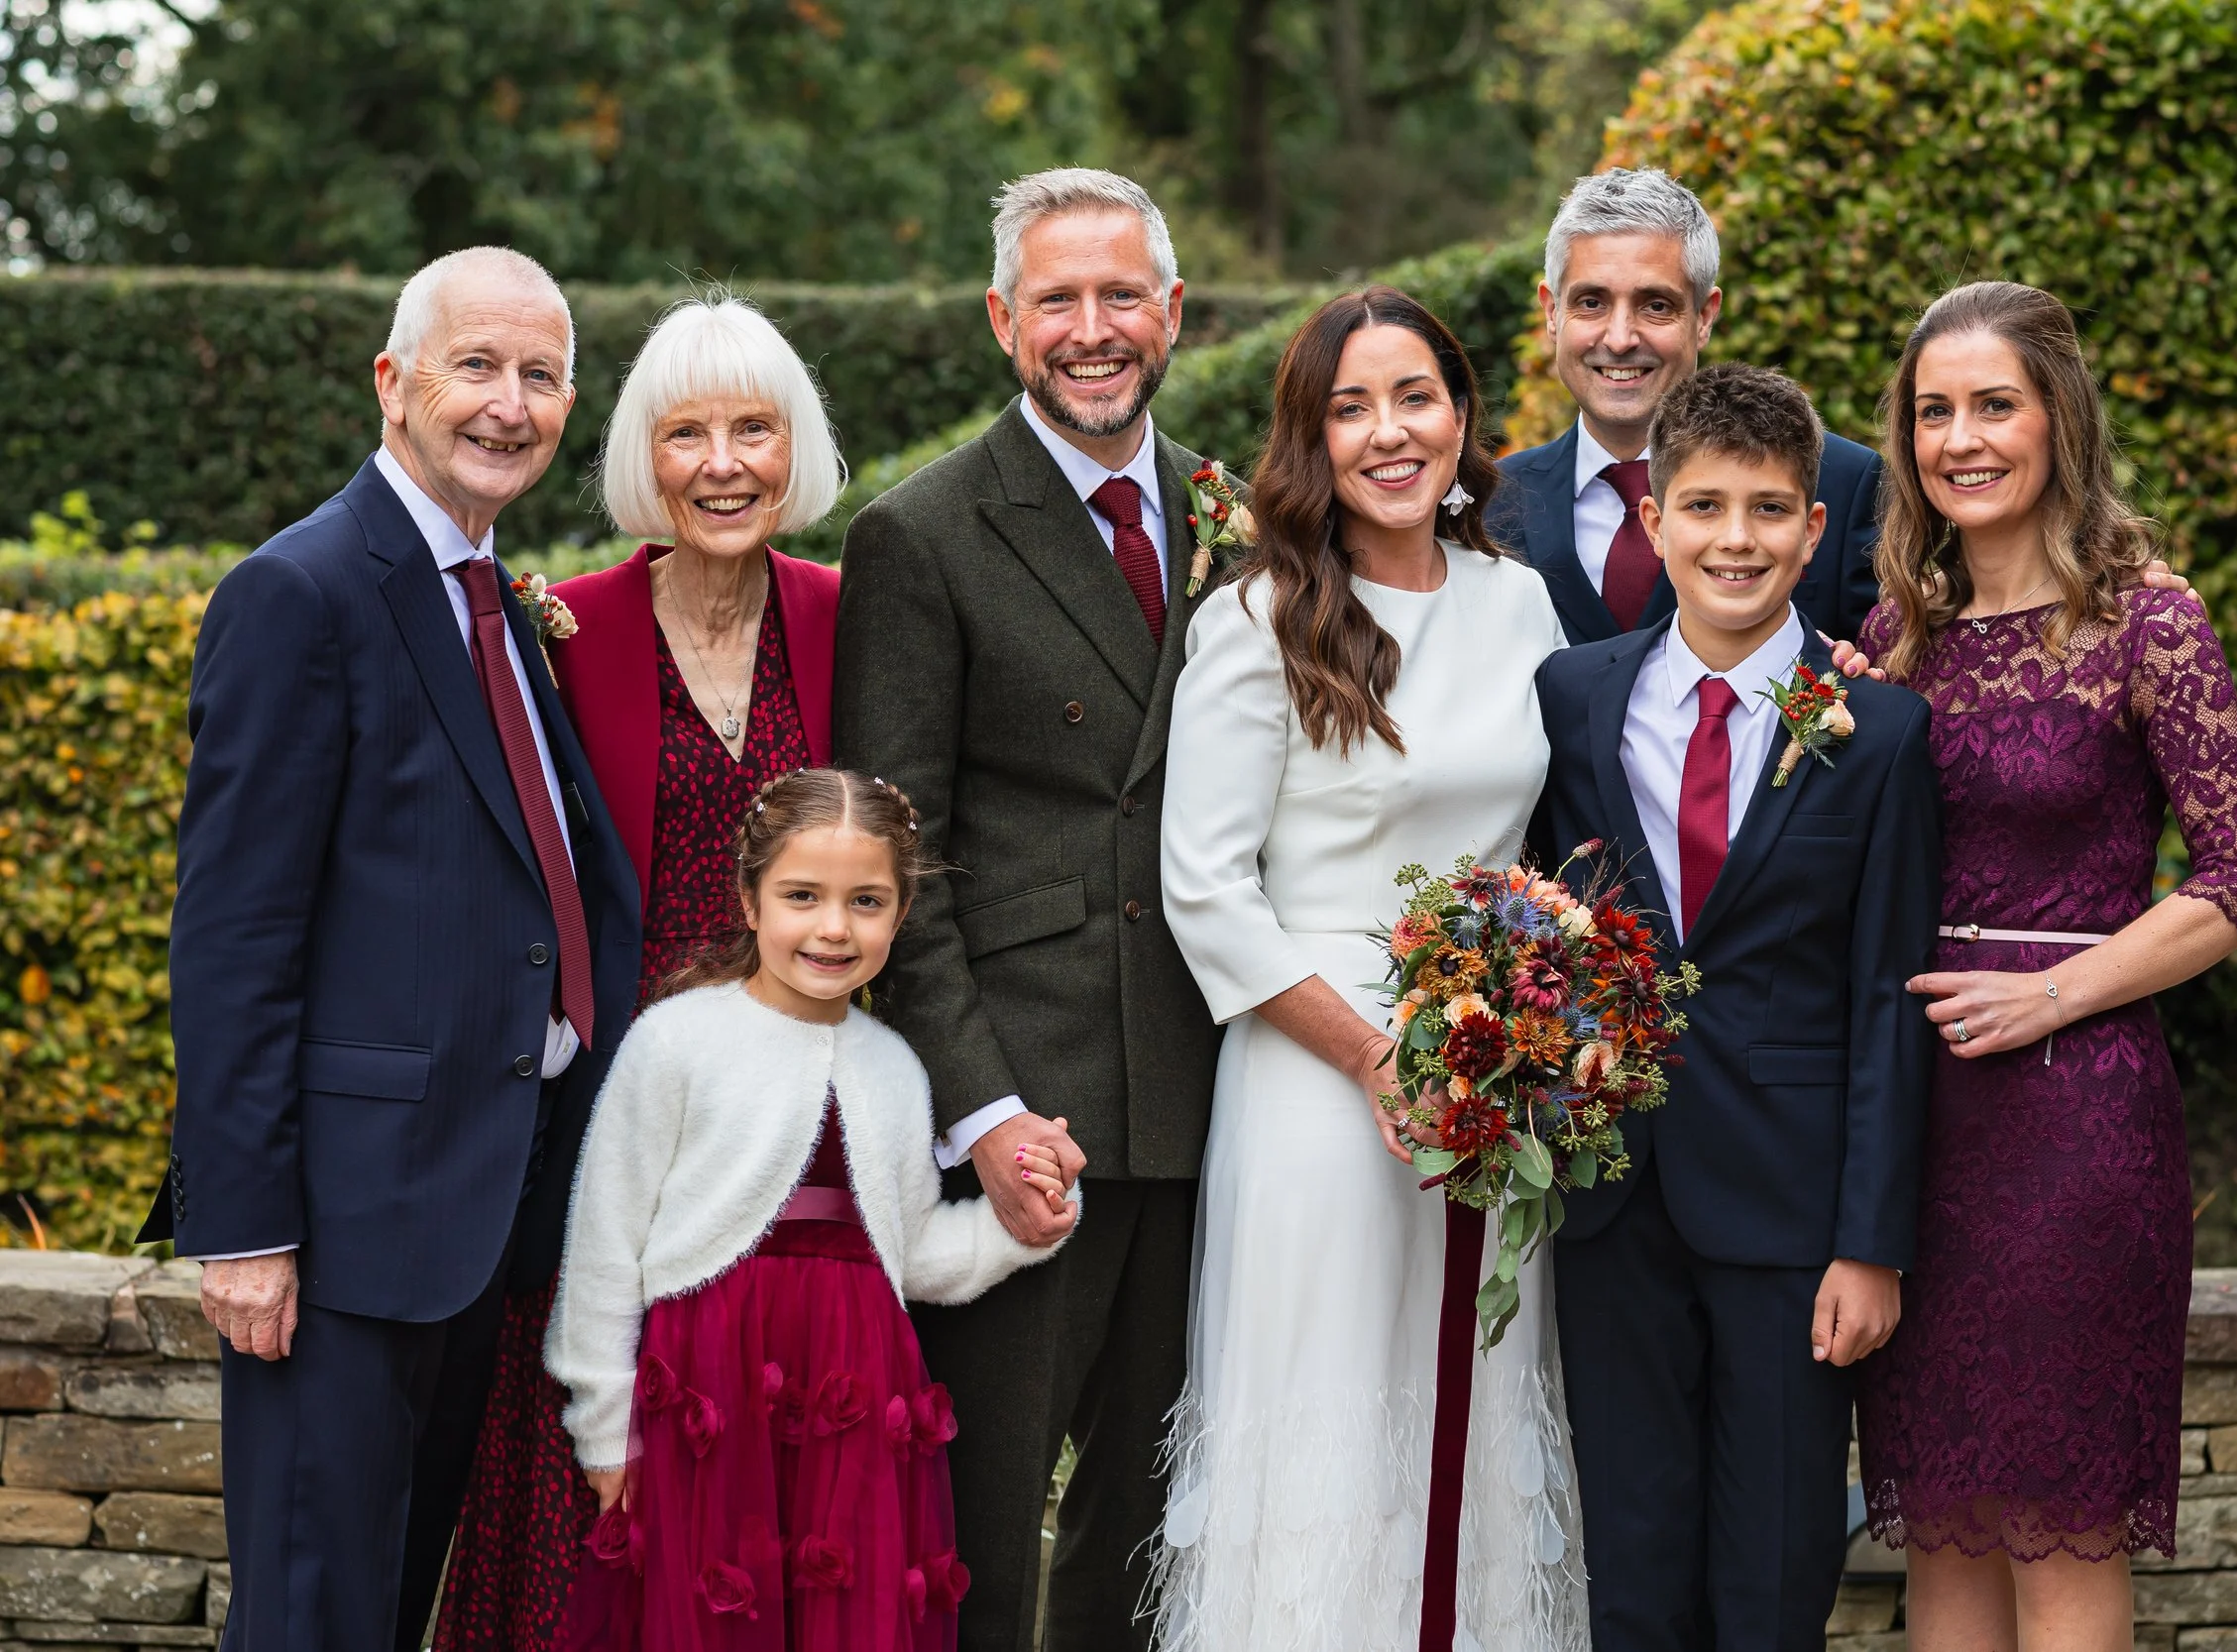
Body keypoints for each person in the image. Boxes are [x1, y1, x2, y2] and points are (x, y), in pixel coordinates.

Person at [138, 246, 643, 1649]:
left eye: (542, 375)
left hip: (477, 1210)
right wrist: (245, 1227)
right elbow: (235, 933)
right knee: (312, 1613)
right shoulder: (299, 592)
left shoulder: (497, 601)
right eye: (477, 365)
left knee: (388, 1604)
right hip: (343, 1231)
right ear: (393, 379)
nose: (510, 404)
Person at [1838, 281, 2237, 1650]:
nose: (1961, 439)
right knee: (1944, 1526)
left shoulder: (2146, 621)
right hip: (1917, 1128)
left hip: (2077, 1124)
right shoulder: (1892, 639)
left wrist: (2050, 993)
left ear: (2058, 419)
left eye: (1995, 405)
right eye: (1934, 411)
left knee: (2060, 1519)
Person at [1152, 286, 1587, 1649]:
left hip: (1492, 1072)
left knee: (1476, 1393)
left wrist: (1539, 1022)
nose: (1390, 432)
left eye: (1416, 397)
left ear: (1461, 415)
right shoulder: (1261, 617)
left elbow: (1566, 833)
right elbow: (1206, 889)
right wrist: (1372, 1057)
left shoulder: (1521, 602)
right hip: (1316, 1071)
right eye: (1351, 408)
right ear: (1312, 439)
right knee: (1334, 1414)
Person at [834, 168, 1219, 1652]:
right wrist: (982, 1112)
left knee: (1153, 1529)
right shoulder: (922, 533)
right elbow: (897, 866)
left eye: (1122, 294)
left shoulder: (1242, 513)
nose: (1093, 327)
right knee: (979, 1533)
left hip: (1207, 1098)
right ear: (1005, 320)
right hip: (1027, 1114)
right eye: (1058, 298)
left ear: (1173, 310)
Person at [435, 293, 847, 1652]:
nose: (723, 464)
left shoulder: (848, 617)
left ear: (795, 449)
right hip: (607, 1142)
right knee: (592, 1521)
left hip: (797, 1146)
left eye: (754, 430)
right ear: (641, 455)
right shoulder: (560, 631)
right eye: (686, 433)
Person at [1528, 362, 1942, 1649]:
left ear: (1814, 530)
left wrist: (1870, 1242)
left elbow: (1886, 995)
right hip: (1614, 1197)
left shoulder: (1880, 731)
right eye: (1704, 507)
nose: (1736, 539)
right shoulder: (1574, 696)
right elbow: (1546, 922)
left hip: (1792, 1211)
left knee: (1773, 1567)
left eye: (1768, 510)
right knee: (1632, 1564)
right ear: (1655, 518)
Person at [547, 768, 1076, 1649]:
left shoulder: (895, 1067)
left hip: (854, 1401)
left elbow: (916, 1252)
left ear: (900, 916)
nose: (834, 927)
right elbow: (605, 1242)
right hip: (710, 1398)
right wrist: (604, 1427)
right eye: (803, 895)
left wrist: (1027, 1220)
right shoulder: (676, 1041)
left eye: (866, 901)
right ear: (749, 900)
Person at [1489, 167, 1885, 646]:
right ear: (1552, 312)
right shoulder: (1491, 503)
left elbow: (1884, 673)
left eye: (1655, 305)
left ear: (1704, 316)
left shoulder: (1842, 482)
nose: (1619, 339)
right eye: (1591, 302)